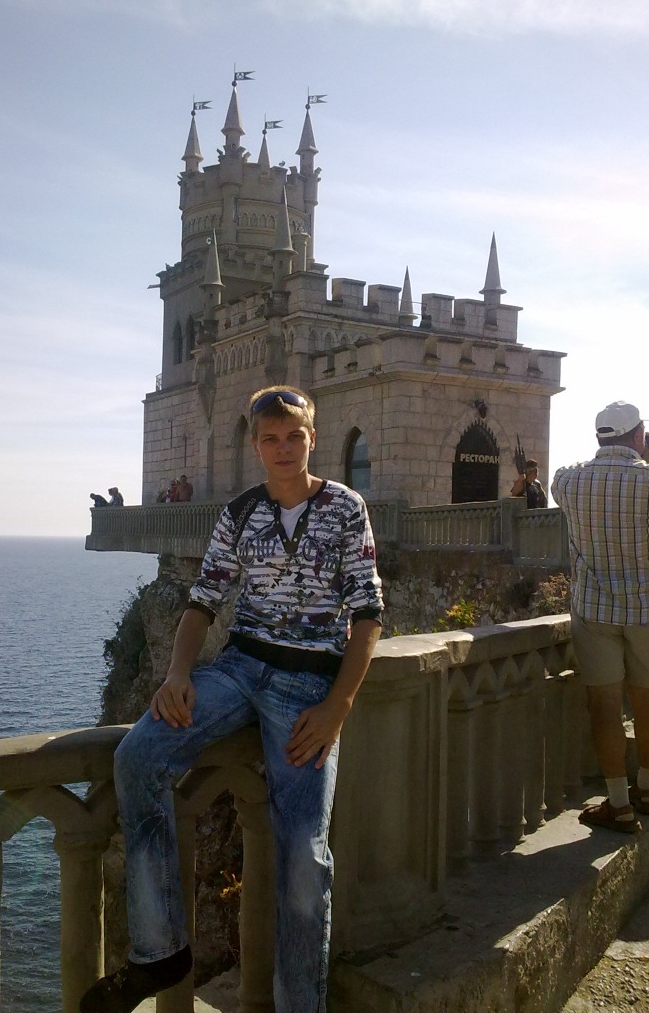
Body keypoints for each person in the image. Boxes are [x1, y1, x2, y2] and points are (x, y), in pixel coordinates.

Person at [79, 386, 384, 1013]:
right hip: (240, 668)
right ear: (256, 446)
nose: (283, 448)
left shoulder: (345, 507)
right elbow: (203, 601)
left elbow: (368, 614)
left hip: (307, 687)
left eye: (293, 437)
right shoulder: (241, 512)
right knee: (138, 756)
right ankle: (158, 950)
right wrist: (177, 674)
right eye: (270, 439)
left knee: (304, 858)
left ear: (312, 438)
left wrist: (338, 706)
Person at [552, 401, 649, 834]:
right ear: (638, 436)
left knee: (603, 705)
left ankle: (619, 804)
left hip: (594, 608)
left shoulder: (568, 480)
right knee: (648, 701)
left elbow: (559, 481)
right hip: (648, 608)